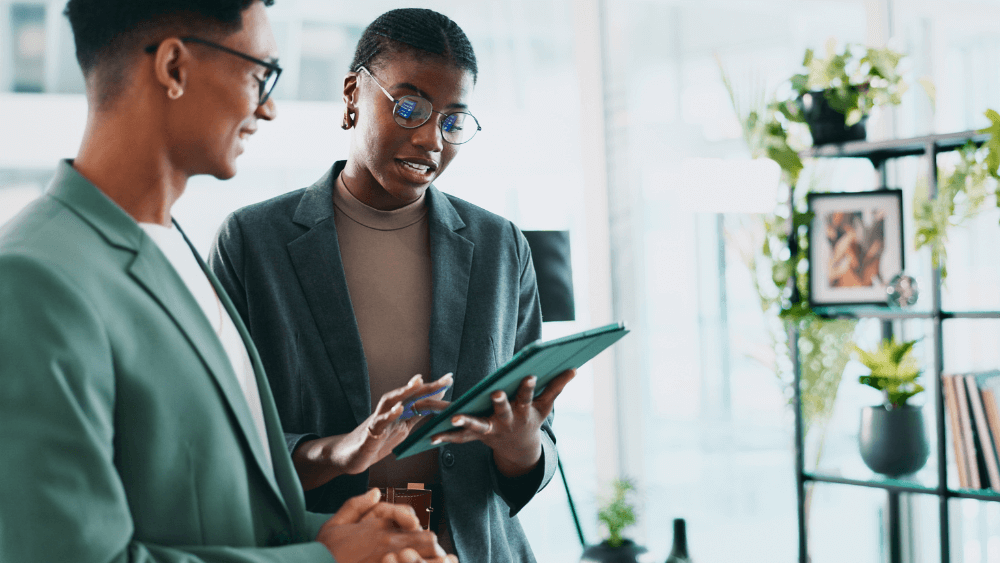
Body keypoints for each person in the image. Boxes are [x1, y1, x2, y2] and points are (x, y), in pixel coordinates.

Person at [0, 1, 454, 562]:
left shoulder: (180, 252)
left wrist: (349, 537)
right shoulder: (32, 280)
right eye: (260, 73)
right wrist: (325, 559)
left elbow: (219, 515)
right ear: (174, 67)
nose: (268, 109)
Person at [209, 8, 576, 561]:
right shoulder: (253, 242)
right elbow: (224, 441)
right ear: (354, 94)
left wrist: (521, 446)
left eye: (453, 121)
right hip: (333, 545)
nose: (431, 140)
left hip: (472, 549)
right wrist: (340, 452)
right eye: (409, 109)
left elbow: (540, 446)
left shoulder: (501, 247)